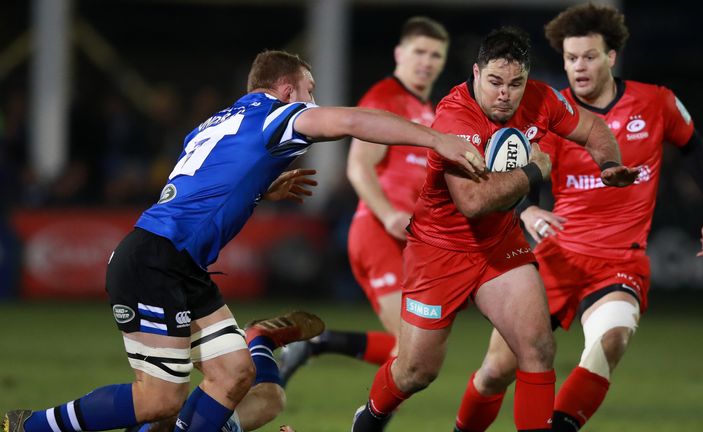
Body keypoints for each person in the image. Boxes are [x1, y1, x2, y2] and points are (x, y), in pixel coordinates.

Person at [2, 49, 486, 432]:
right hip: (153, 261)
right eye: (308, 92)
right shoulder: (276, 116)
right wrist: (435, 139)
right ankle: (27, 425)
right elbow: (354, 121)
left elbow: (201, 184)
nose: (312, 103)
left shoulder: (216, 123)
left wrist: (262, 186)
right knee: (158, 400)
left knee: (236, 373)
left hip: (179, 263)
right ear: (283, 88)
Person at [453, 4, 703, 432]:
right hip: (557, 256)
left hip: (620, 259)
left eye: (588, 56)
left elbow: (692, 145)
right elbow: (519, 167)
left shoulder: (655, 102)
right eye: (570, 58)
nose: (578, 67)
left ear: (611, 57)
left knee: (611, 340)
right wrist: (528, 210)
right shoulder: (550, 109)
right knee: (495, 371)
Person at [351, 27, 638, 432]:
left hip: (498, 245)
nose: (505, 93)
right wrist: (534, 171)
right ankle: (370, 417)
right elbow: (473, 202)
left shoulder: (540, 98)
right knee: (417, 371)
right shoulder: (456, 116)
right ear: (476, 73)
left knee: (538, 349)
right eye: (495, 82)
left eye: (515, 83)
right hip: (439, 251)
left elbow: (594, 129)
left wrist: (608, 164)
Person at [279, 16, 449, 384]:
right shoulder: (386, 98)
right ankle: (367, 418)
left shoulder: (428, 111)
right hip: (377, 231)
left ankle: (318, 343)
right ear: (399, 54)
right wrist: (388, 215)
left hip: (409, 238)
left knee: (420, 355)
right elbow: (358, 166)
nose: (427, 61)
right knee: (415, 355)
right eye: (419, 52)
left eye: (436, 55)